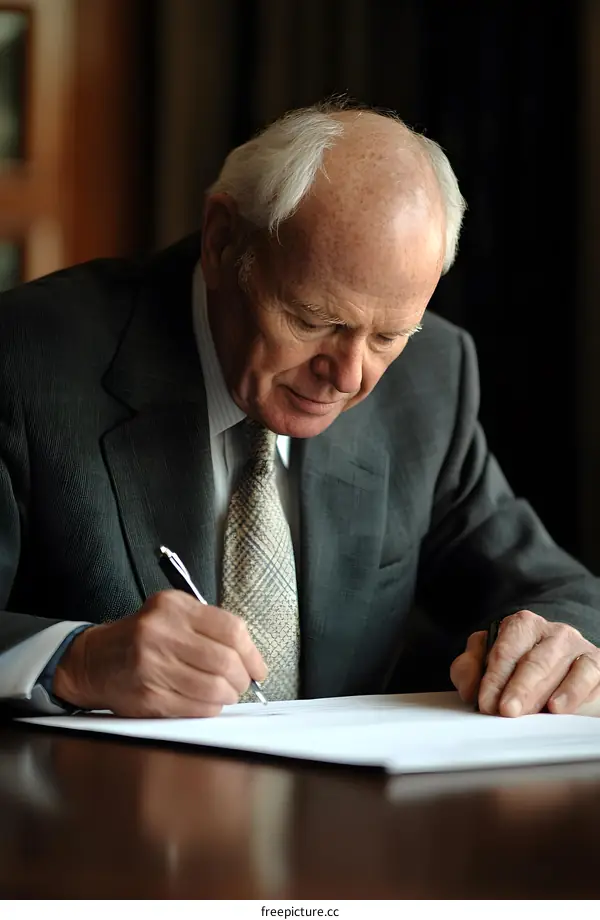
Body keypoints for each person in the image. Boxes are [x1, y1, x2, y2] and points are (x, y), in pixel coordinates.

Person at [1, 100, 599, 720]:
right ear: (222, 241)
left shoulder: (430, 378)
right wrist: (76, 661)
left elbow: (554, 588)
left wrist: (558, 645)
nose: (347, 375)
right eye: (313, 321)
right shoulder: (27, 358)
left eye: (387, 337)